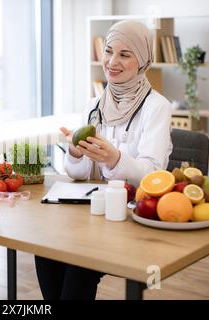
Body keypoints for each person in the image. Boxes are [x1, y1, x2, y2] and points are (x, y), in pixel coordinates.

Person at [35, 20, 173, 300]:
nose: (111, 62)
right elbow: (79, 175)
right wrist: (75, 153)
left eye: (125, 54)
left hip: (128, 219)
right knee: (45, 250)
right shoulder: (93, 105)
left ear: (143, 60)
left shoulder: (157, 107)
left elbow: (153, 175)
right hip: (89, 217)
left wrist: (115, 158)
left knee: (78, 264)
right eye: (109, 51)